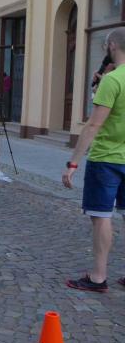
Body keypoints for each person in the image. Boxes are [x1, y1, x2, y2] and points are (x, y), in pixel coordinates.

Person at [64, 27, 125, 293]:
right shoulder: (110, 80)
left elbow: (93, 125)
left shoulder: (112, 80)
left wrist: (73, 164)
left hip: (106, 159)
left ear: (112, 46)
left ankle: (98, 277)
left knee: (101, 216)